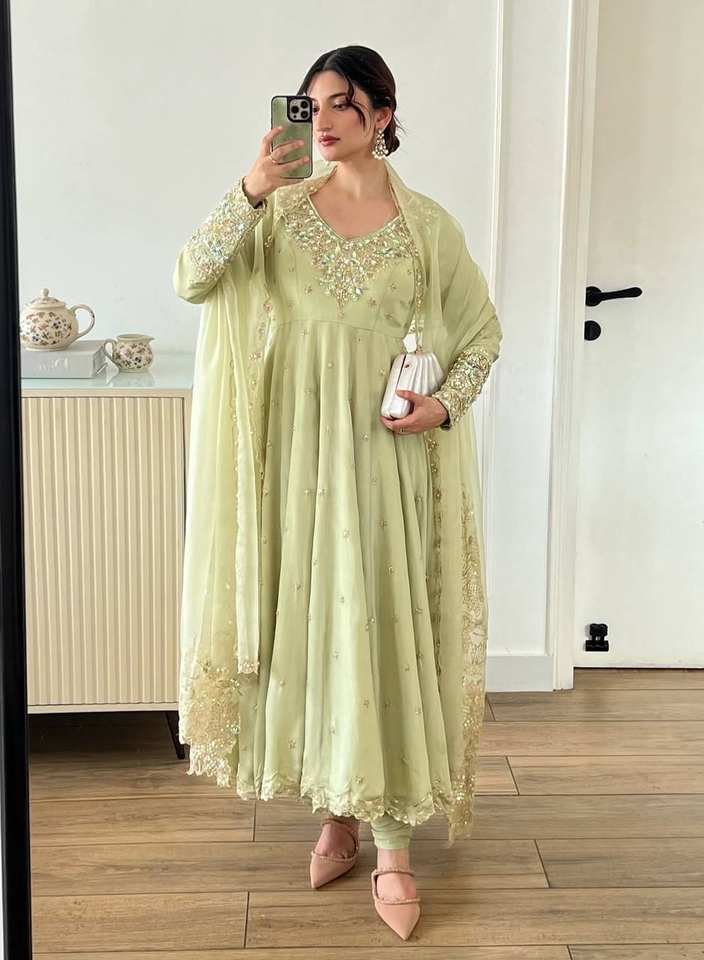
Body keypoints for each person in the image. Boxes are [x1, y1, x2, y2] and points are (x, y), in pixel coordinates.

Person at [172, 45, 502, 941]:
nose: (322, 120)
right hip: (296, 467)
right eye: (310, 104)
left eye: (343, 104)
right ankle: (338, 811)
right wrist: (249, 188)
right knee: (317, 634)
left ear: (383, 115)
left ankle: (394, 848)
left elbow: (481, 333)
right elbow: (193, 277)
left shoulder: (427, 227)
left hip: (386, 467)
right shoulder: (277, 212)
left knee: (382, 631)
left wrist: (443, 405)